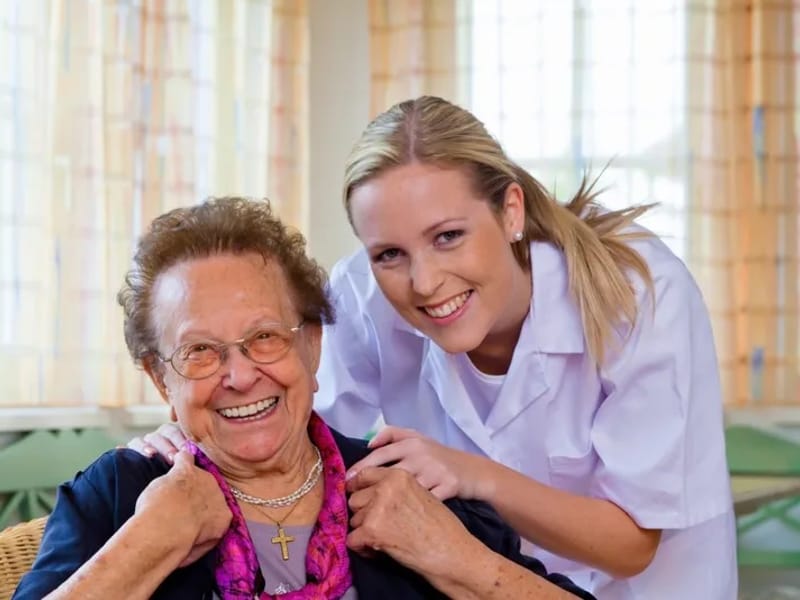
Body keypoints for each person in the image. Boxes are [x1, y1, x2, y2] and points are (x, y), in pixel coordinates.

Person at [129, 97, 737, 599]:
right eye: (389, 253)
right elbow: (297, 435)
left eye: (448, 237)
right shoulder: (361, 296)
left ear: (511, 210)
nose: (423, 282)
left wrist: (471, 475)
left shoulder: (640, 293)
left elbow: (631, 545)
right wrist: (192, 432)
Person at [14, 198, 593, 600]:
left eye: (265, 337)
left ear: (312, 346)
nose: (240, 376)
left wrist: (453, 556)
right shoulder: (119, 496)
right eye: (200, 352)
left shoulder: (404, 486)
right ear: (162, 380)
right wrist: (148, 543)